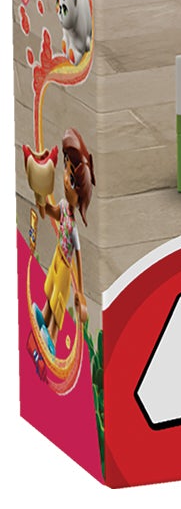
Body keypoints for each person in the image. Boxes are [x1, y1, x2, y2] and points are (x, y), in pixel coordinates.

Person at [39, 128, 93, 353]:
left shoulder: (73, 228)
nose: (65, 180)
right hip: (56, 258)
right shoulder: (62, 206)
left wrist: (80, 291)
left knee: (58, 300)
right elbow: (51, 212)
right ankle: (42, 318)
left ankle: (51, 336)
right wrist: (43, 203)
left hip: (65, 265)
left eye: (71, 180)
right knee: (49, 291)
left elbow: (78, 257)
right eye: (66, 169)